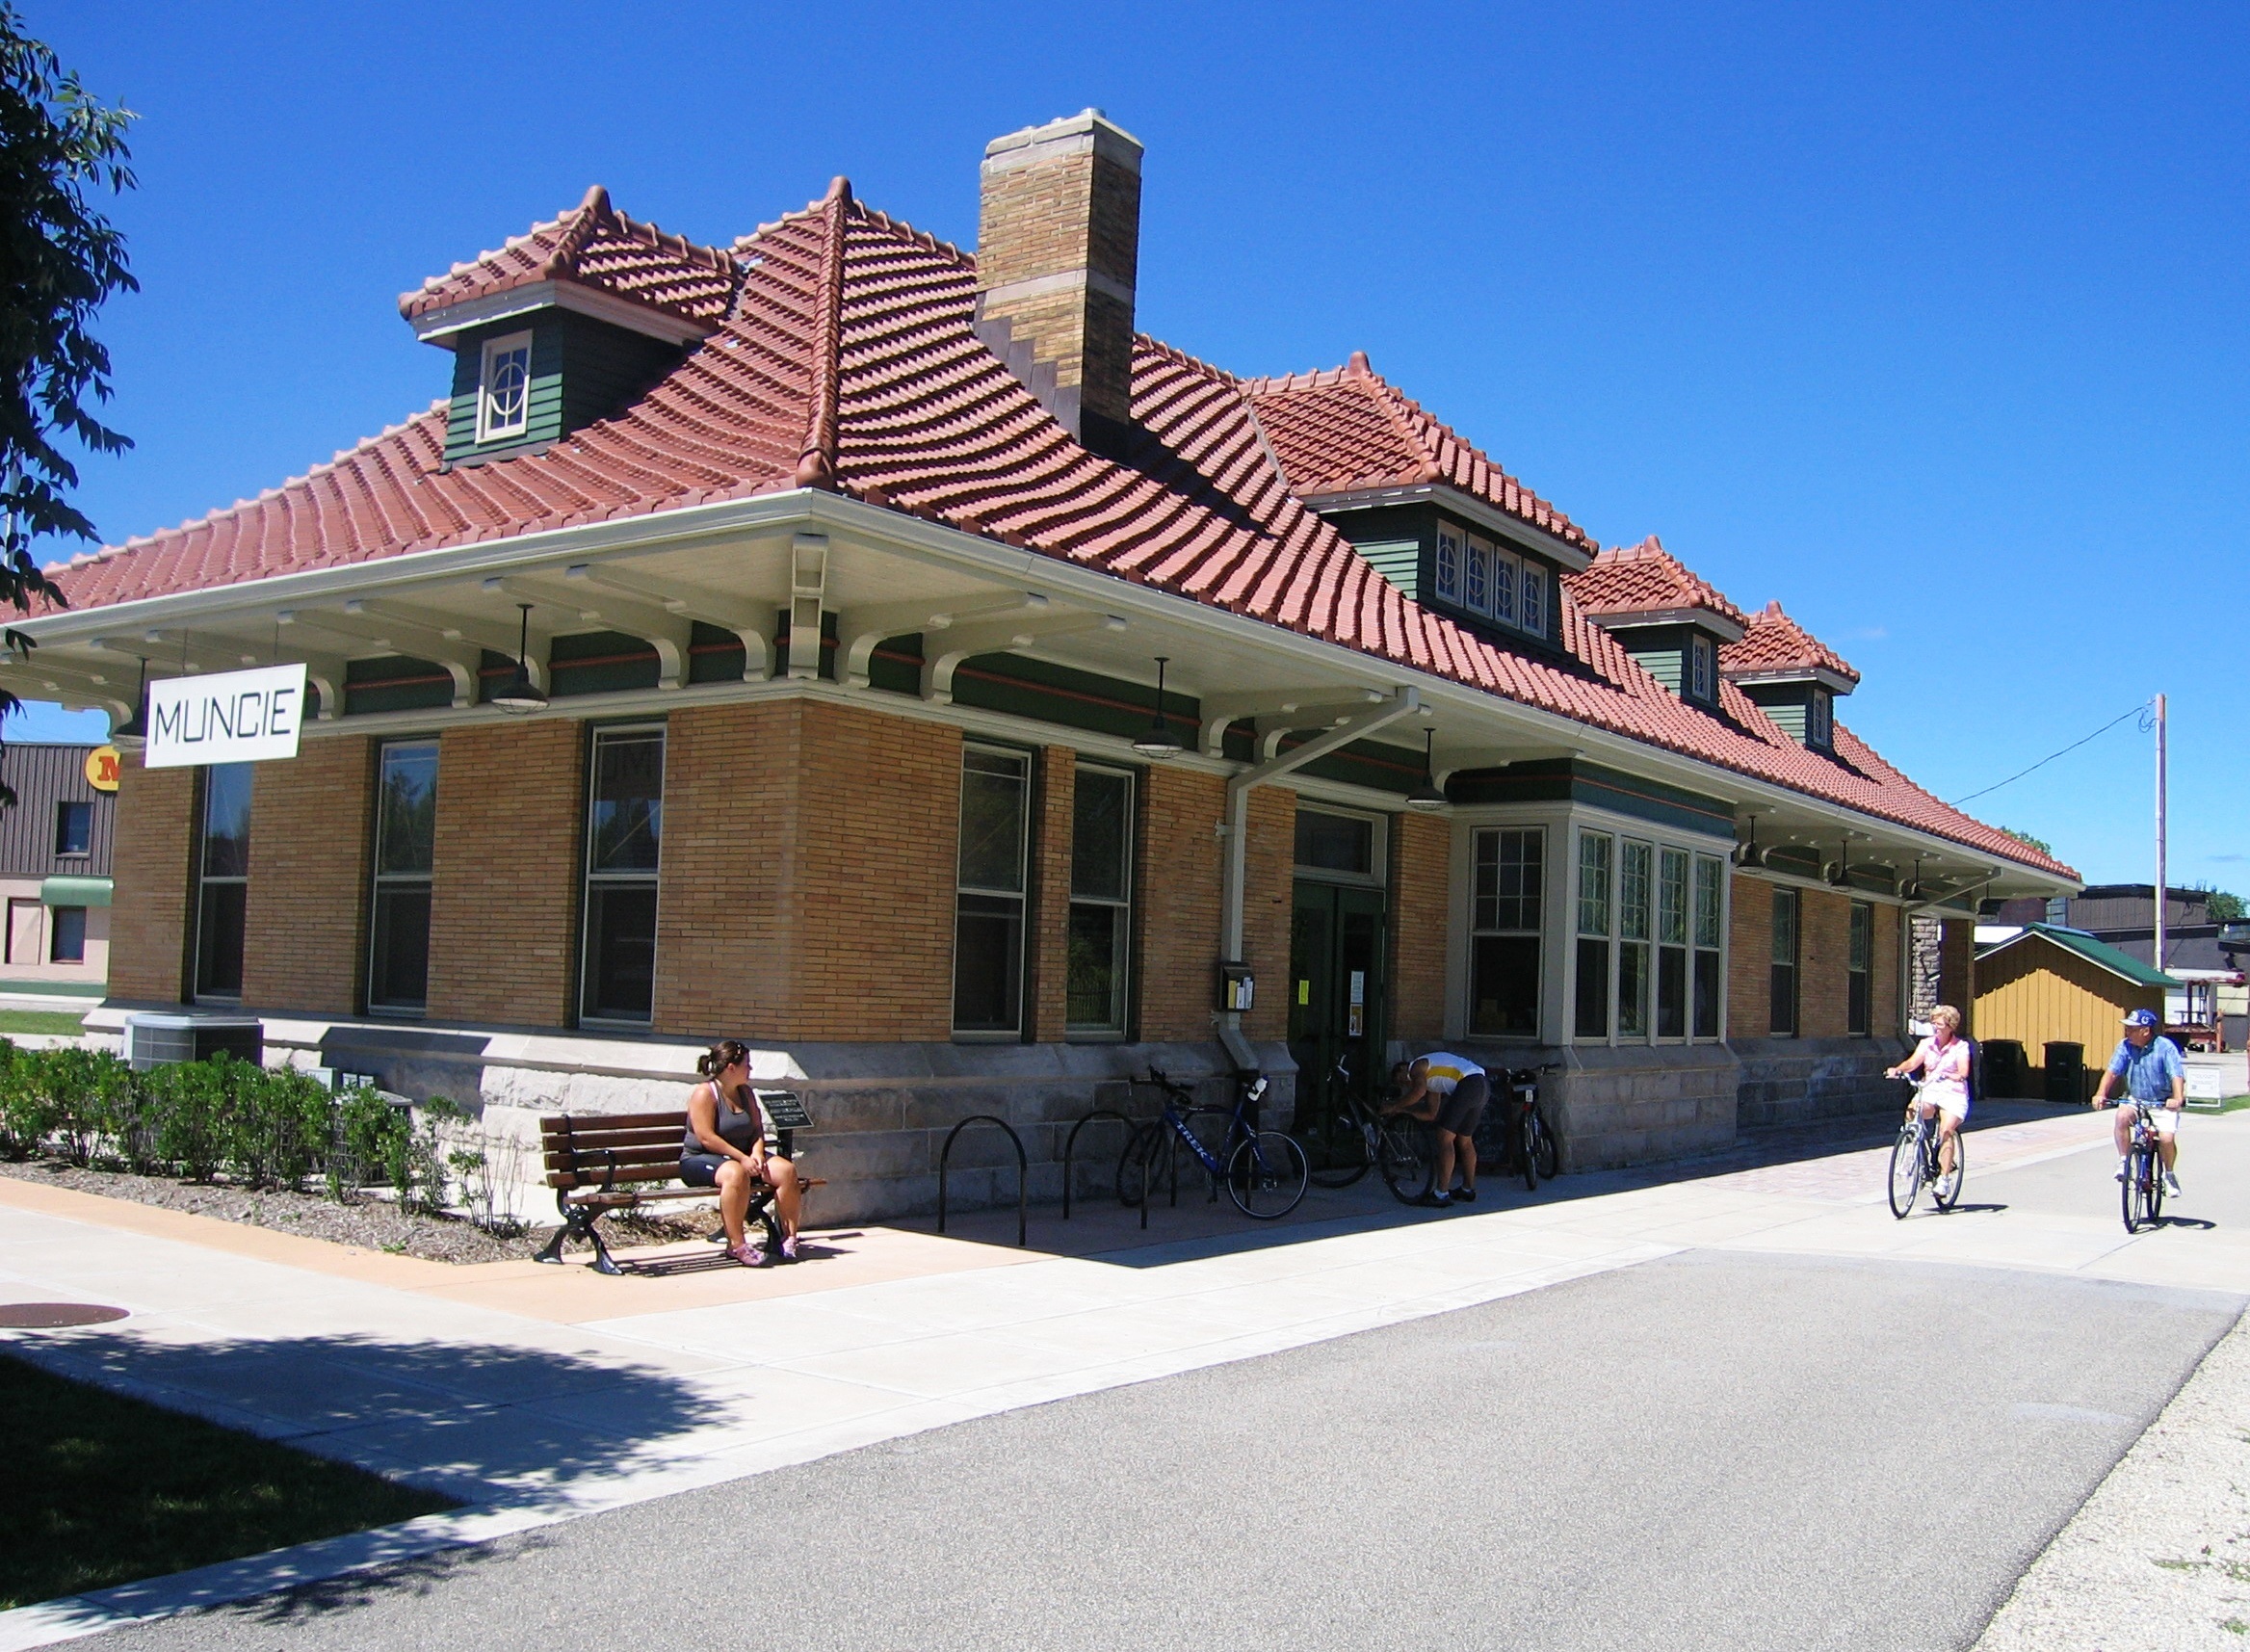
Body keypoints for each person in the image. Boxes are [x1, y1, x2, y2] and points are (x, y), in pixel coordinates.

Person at [682, 1038, 804, 1266]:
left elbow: (757, 1129)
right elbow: (706, 1137)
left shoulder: (746, 1093)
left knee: (786, 1170)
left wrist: (757, 1153)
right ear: (731, 1068)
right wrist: (742, 1158)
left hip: (743, 1157)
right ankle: (736, 1245)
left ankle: (788, 1238)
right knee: (736, 1174)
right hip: (701, 1159)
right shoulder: (705, 1094)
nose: (750, 1069)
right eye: (746, 1064)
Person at [2091, 1007, 2185, 1195]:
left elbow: (2176, 1074)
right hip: (2136, 1098)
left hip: (2161, 1101)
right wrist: (2100, 1093)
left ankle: (2169, 1174)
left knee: (2166, 1138)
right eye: (2127, 1028)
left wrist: (2177, 1098)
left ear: (2146, 1030)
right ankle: (2124, 1161)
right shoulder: (2125, 1046)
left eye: (2132, 1029)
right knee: (2122, 1116)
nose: (2128, 1032)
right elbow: (2112, 1072)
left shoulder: (2165, 1047)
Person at [1385, 1052, 1488, 1207]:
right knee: (1465, 1139)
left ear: (1403, 1068)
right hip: (1482, 1085)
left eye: (1401, 1080)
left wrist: (1394, 1106)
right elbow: (1431, 1114)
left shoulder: (1416, 1066)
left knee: (1444, 1137)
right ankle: (1467, 1189)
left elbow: (1418, 1092)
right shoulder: (1434, 1081)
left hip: (1468, 1083)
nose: (1406, 1084)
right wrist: (1405, 1112)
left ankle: (1441, 1194)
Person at [1886, 1004, 1972, 1184]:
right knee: (1912, 1111)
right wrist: (1897, 1070)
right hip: (1931, 1089)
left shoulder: (1960, 1047)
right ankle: (1917, 1146)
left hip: (1953, 1092)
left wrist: (1954, 1075)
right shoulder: (1927, 1044)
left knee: (1946, 1130)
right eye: (1934, 1024)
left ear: (1950, 1026)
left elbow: (1963, 1071)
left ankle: (1944, 1178)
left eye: (1940, 1025)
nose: (1935, 1028)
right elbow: (1912, 1063)